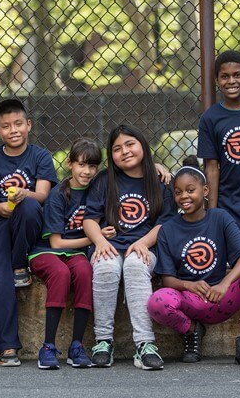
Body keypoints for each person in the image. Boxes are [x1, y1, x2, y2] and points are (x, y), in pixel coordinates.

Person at [148, 157, 240, 368]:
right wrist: (190, 285)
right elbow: (167, 279)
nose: (184, 196)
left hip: (222, 297)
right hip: (190, 301)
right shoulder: (168, 229)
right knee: (156, 302)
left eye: (190, 190)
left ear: (205, 191)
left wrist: (225, 283)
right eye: (178, 192)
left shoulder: (219, 217)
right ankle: (192, 331)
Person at [83, 124, 176, 370]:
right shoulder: (105, 180)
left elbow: (165, 223)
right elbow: (89, 219)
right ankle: (103, 340)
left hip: (145, 247)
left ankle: (145, 344)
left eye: (130, 144)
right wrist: (100, 242)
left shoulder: (159, 181)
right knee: (105, 267)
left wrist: (143, 242)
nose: (124, 151)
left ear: (143, 145)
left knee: (136, 265)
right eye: (116, 148)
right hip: (110, 245)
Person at [0, 98, 57, 366]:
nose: (13, 130)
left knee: (28, 205)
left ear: (29, 125)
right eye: (6, 126)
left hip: (28, 224)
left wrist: (25, 194)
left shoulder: (40, 156)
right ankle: (8, 346)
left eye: (18, 124)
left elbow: (43, 195)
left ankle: (19, 265)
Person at [28, 138, 114, 369]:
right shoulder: (58, 195)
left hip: (75, 253)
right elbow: (56, 243)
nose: (87, 171)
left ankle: (76, 346)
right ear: (70, 164)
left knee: (85, 271)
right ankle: (47, 346)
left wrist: (158, 167)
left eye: (92, 166)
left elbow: (125, 169)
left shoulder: (97, 190)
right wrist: (97, 237)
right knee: (60, 273)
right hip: (46, 251)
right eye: (81, 165)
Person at [198, 50, 240, 261]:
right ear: (217, 80)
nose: (232, 81)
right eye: (225, 76)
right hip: (234, 210)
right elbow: (211, 168)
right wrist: (212, 214)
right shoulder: (211, 118)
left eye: (237, 75)